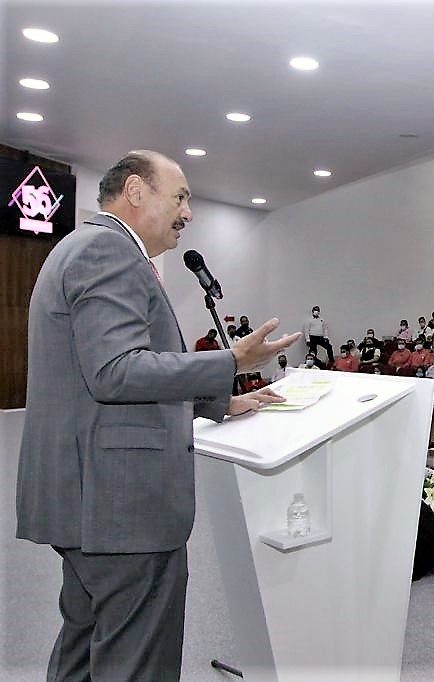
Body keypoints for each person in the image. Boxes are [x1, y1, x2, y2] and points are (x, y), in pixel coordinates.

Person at [16, 150, 299, 681]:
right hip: (120, 509)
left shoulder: (81, 247)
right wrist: (232, 361)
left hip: (89, 502)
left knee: (83, 646)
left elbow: (100, 371)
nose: (188, 212)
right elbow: (117, 371)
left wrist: (220, 400)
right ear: (136, 191)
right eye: (181, 196)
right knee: (135, 662)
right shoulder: (107, 251)